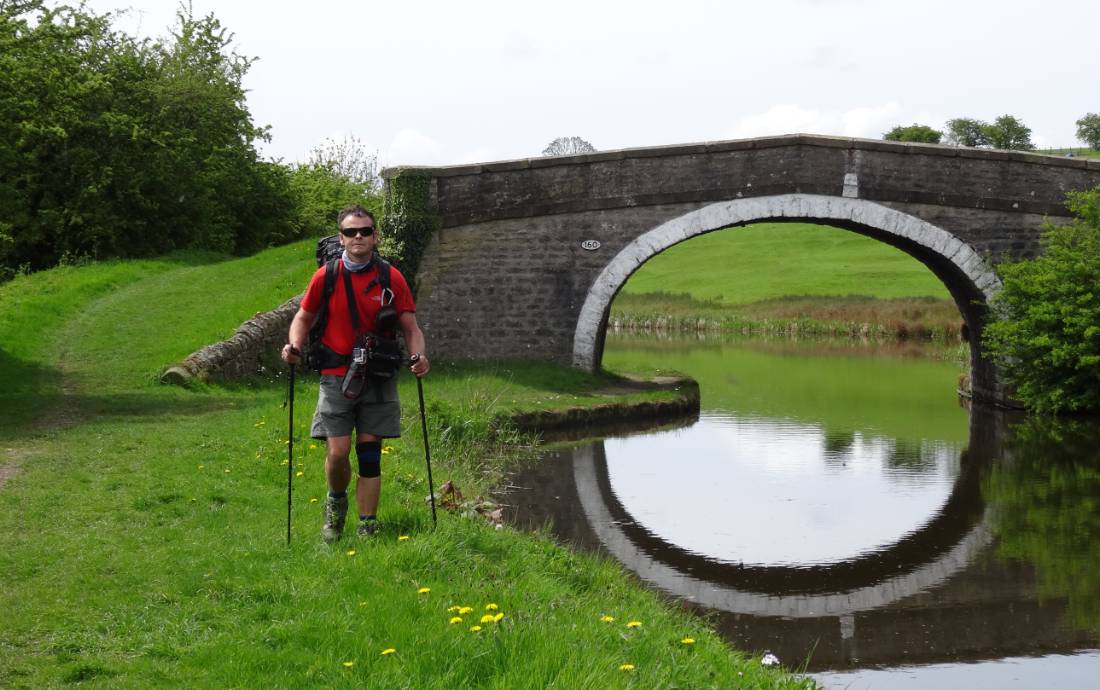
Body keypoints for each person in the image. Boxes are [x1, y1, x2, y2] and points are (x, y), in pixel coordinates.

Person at [281, 205, 429, 542]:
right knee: (336, 452)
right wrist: (294, 346)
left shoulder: (391, 277)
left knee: (369, 455)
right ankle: (336, 507)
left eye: (365, 231)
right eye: (351, 232)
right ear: (341, 238)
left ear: (375, 236)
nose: (358, 237)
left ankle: (367, 528)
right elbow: (303, 318)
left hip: (377, 374)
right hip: (335, 373)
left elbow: (411, 327)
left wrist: (420, 356)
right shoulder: (327, 276)